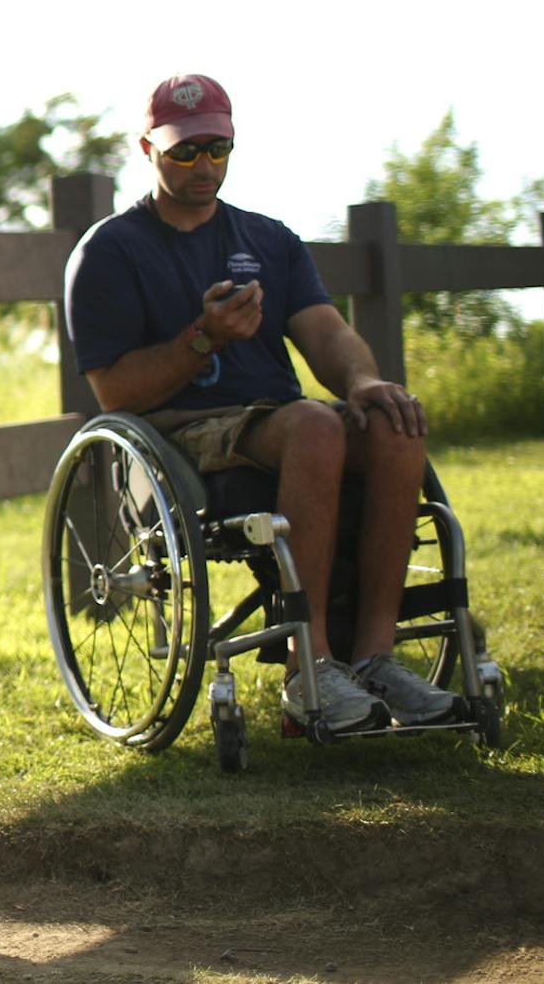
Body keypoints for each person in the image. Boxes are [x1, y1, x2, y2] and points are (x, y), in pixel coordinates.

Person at [62, 72, 462, 735]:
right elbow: (115, 393)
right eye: (185, 150)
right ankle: (312, 669)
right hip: (179, 430)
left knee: (393, 427)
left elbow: (326, 332)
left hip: (277, 420)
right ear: (147, 149)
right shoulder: (109, 251)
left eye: (218, 148)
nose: (204, 165)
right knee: (312, 426)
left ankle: (375, 657)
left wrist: (364, 384)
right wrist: (202, 340)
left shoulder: (269, 240)